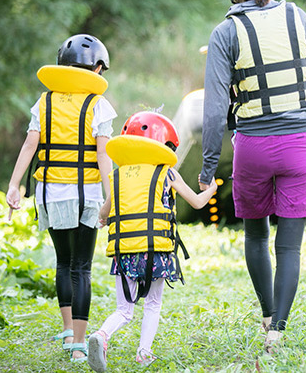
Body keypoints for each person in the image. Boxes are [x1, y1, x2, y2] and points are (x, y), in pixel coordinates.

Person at [198, 0, 306, 352]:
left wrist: (208, 169)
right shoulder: (295, 15)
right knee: (290, 245)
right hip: (300, 145)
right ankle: (278, 328)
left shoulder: (224, 33)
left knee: (256, 236)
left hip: (252, 148)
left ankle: (265, 315)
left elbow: (212, 113)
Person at [5, 34, 116, 361]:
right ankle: (79, 345)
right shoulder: (99, 105)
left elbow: (30, 146)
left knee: (63, 262)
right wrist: (111, 199)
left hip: (50, 193)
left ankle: (68, 331)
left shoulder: (44, 102)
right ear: (96, 67)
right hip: (86, 196)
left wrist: (14, 185)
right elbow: (103, 157)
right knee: (81, 267)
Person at [87, 111, 218, 372]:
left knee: (124, 310)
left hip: (123, 252)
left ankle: (101, 336)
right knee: (153, 303)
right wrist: (212, 189)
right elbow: (196, 201)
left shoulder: (118, 175)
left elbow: (104, 212)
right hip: (155, 251)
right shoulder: (166, 173)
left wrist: (102, 220)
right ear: (164, 145)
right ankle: (144, 353)